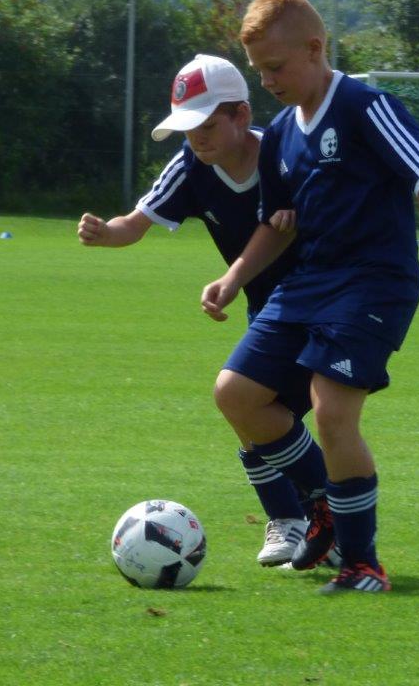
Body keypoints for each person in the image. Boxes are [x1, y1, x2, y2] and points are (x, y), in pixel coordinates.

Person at [201, 0, 419, 594]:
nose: (267, 81)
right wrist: (234, 277)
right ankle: (324, 500)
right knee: (236, 395)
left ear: (315, 49)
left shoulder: (365, 106)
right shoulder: (280, 135)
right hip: (309, 282)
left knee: (331, 409)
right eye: (259, 70)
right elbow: (277, 223)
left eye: (275, 67)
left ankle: (362, 563)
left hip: (374, 284)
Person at [78, 54, 325, 567]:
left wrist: (234, 277)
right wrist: (105, 234)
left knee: (254, 405)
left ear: (241, 115)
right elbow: (135, 223)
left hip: (321, 300)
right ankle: (296, 520)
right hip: (267, 308)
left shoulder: (284, 154)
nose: (196, 139)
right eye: (187, 129)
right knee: (247, 412)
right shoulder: (191, 166)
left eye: (206, 126)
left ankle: (330, 518)